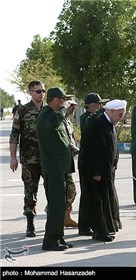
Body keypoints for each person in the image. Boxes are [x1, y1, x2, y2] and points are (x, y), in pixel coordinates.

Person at [78, 99, 126, 242]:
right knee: (96, 201)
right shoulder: (97, 124)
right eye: (119, 114)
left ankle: (105, 228)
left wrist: (113, 164)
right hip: (93, 171)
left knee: (104, 199)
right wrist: (96, 172)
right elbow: (91, 151)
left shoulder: (109, 123)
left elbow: (112, 147)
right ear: (111, 111)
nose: (121, 117)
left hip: (105, 170)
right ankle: (99, 232)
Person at [36, 87, 74, 251]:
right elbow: (52, 123)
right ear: (56, 100)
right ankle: (50, 241)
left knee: (60, 206)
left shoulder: (55, 117)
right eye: (63, 100)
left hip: (60, 168)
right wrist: (64, 109)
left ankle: (58, 238)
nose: (64, 103)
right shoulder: (45, 116)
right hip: (53, 169)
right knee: (56, 206)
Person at [9, 80, 45, 238]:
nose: (41, 94)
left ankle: (55, 220)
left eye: (43, 91)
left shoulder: (49, 109)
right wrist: (13, 158)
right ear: (30, 92)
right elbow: (14, 135)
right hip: (29, 158)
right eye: (38, 91)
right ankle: (30, 223)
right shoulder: (22, 111)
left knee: (55, 190)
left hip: (47, 158)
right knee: (30, 191)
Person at [77, 92, 108, 236]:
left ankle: (87, 224)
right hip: (86, 161)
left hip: (90, 160)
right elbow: (90, 124)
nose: (100, 106)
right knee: (87, 194)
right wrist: (102, 113)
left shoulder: (92, 117)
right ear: (90, 106)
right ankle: (84, 226)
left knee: (90, 194)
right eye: (97, 104)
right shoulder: (86, 118)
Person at [63, 99, 79, 228]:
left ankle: (66, 217)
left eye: (74, 108)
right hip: (59, 163)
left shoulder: (68, 122)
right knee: (69, 190)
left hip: (68, 161)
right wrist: (80, 152)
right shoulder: (59, 120)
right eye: (71, 107)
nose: (72, 110)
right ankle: (57, 215)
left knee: (71, 191)